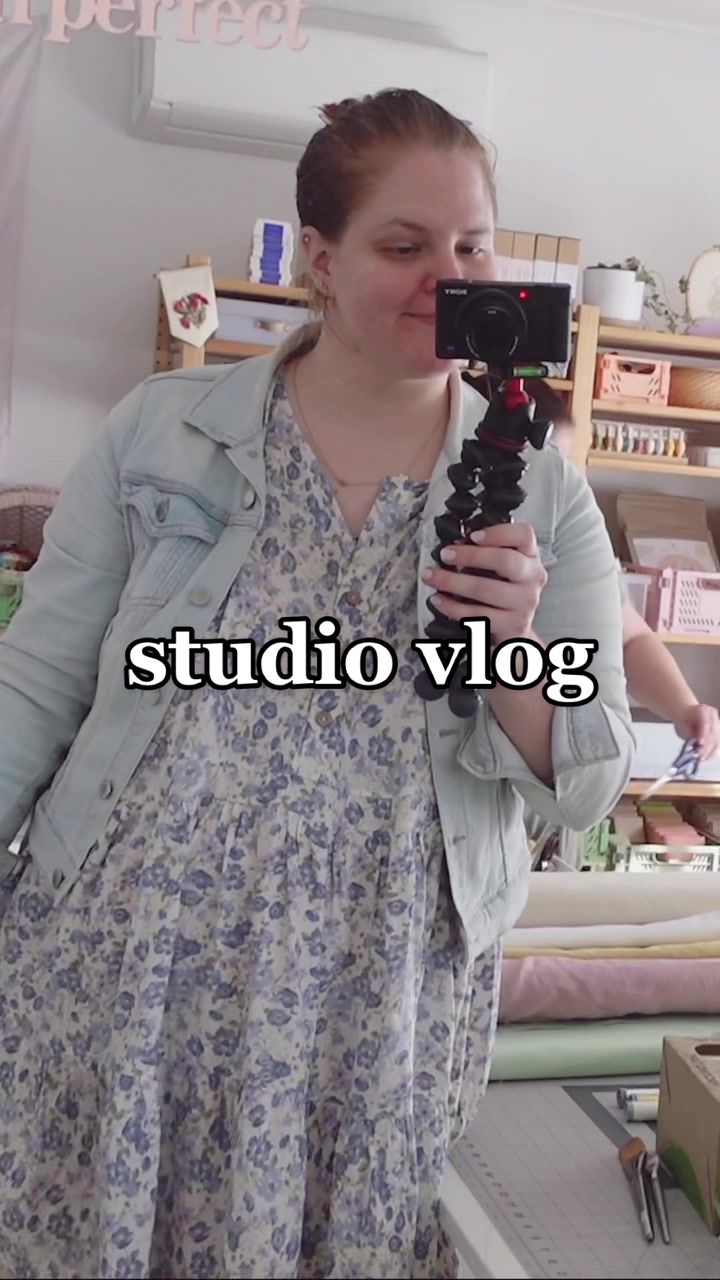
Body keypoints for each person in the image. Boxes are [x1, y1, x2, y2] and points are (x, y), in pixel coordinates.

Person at [0, 90, 633, 1280]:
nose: (448, 277)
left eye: (473, 244)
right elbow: (31, 692)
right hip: (125, 974)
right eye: (405, 245)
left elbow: (590, 778)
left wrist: (509, 645)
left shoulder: (541, 489)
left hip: (377, 1005)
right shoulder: (162, 434)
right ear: (322, 262)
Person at [524, 378, 720, 760]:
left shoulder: (576, 542)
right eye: (544, 468)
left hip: (563, 762)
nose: (561, 486)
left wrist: (684, 708)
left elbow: (630, 638)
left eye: (565, 467)